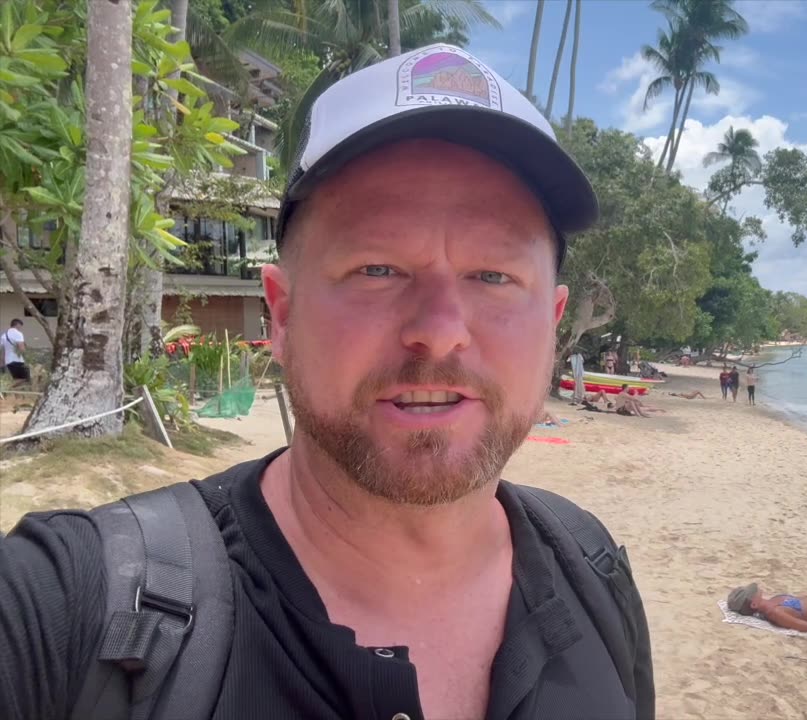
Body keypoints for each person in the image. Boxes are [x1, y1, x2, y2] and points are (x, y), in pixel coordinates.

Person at [0, 45, 653, 720]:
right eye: (377, 268)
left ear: (552, 322)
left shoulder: (595, 572)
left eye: (494, 276)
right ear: (282, 313)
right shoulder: (65, 605)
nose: (439, 329)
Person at [2, 318, 29, 386]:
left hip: (8, 360)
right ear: (17, 325)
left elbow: (2, 349)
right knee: (25, 378)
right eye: (20, 326)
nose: (20, 328)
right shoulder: (18, 334)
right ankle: (6, 388)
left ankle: (12, 394)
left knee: (17, 379)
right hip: (17, 360)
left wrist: (2, 362)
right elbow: (21, 348)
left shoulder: (4, 335)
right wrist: (27, 358)